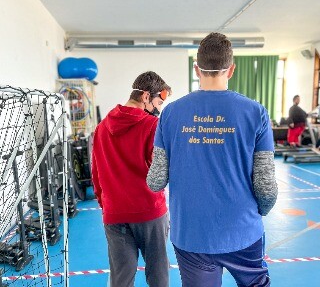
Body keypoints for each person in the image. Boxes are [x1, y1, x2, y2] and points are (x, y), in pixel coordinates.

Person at [147, 33, 278, 287]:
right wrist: (260, 211)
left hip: (191, 234)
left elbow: (155, 180)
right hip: (242, 229)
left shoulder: (170, 113)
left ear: (197, 69)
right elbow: (265, 185)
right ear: (231, 70)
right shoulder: (256, 112)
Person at [91, 71, 171, 287]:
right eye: (158, 102)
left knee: (120, 278)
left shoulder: (100, 128)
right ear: (146, 97)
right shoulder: (152, 126)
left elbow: (96, 173)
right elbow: (159, 173)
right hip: (149, 211)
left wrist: (107, 204)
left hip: (114, 213)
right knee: (158, 273)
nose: (159, 108)